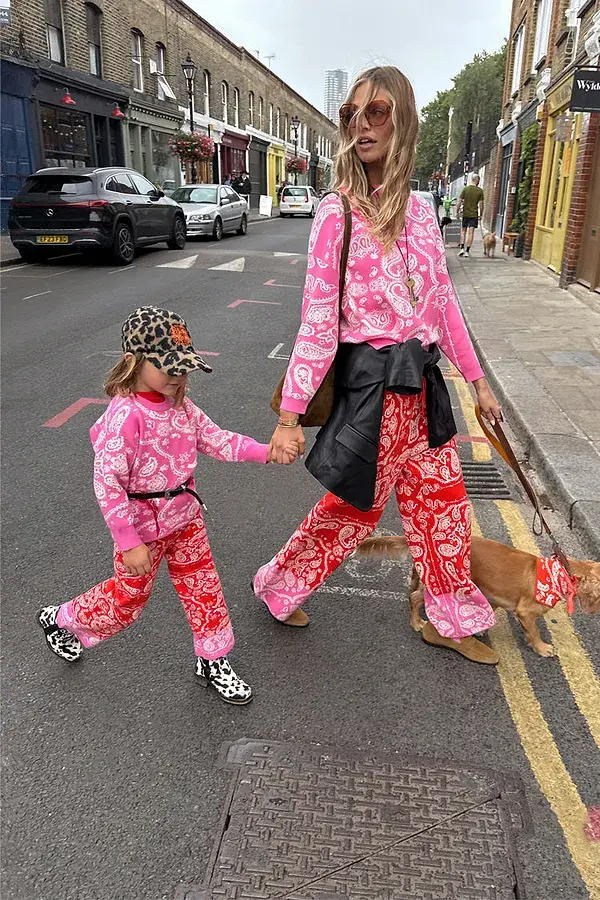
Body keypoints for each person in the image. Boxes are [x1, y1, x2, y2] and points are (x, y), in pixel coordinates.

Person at [253, 66, 503, 665]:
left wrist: (478, 382)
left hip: (424, 385)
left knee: (443, 508)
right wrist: (290, 414)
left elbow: (443, 307)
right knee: (354, 510)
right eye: (351, 115)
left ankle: (450, 618)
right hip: (372, 391)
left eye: (378, 112)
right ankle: (280, 585)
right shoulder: (336, 213)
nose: (361, 125)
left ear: (404, 119)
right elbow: (317, 321)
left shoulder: (420, 212)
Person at [37, 307, 299, 704]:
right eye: (167, 367)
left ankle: (213, 659)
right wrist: (128, 541)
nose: (177, 376)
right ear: (132, 362)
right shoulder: (125, 417)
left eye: (183, 367)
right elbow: (107, 482)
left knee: (204, 589)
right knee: (128, 602)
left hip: (186, 520)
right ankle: (62, 620)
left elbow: (218, 440)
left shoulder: (182, 408)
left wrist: (268, 452)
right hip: (141, 529)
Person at [457, 174, 484, 257]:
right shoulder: (480, 191)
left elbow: (459, 201)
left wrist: (457, 211)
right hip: (474, 214)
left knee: (463, 231)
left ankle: (461, 248)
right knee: (471, 233)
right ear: (478, 180)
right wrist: (481, 214)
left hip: (465, 214)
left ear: (472, 180)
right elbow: (481, 204)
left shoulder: (466, 189)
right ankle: (467, 251)